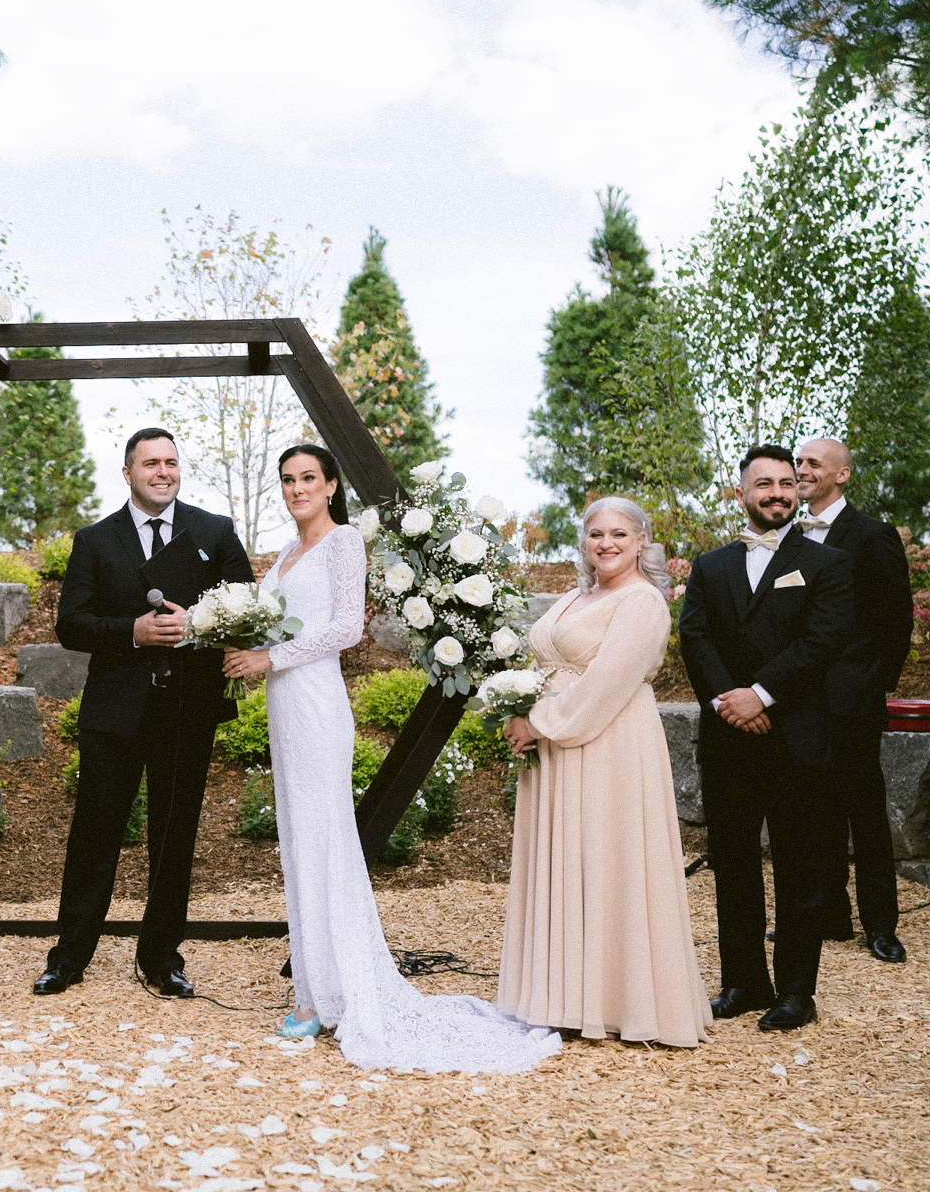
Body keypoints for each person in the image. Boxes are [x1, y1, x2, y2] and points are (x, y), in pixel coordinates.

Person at [222, 444, 559, 1071]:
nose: (297, 489)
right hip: (283, 705)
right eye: (288, 480)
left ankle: (341, 990)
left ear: (330, 487)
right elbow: (286, 621)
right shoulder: (286, 554)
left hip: (317, 701)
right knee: (299, 842)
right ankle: (314, 990)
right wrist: (244, 640)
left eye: (308, 479)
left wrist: (271, 658)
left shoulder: (344, 542)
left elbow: (347, 628)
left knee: (327, 839)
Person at [36, 428, 255, 1000]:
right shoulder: (94, 540)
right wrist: (131, 632)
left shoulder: (215, 531)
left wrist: (198, 625)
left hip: (188, 709)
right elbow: (71, 624)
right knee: (94, 833)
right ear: (128, 473)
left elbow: (247, 610)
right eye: (150, 463)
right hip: (115, 711)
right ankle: (68, 956)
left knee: (174, 835)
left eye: (171, 462)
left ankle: (161, 959)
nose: (163, 471)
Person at [499, 496, 712, 1046]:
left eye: (619, 534)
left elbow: (607, 684)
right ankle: (562, 995)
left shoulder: (643, 603)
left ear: (642, 540)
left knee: (607, 859)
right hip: (556, 741)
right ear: (584, 541)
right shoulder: (578, 595)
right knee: (567, 859)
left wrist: (538, 722)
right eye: (596, 534)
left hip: (608, 742)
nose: (607, 544)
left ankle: (619, 1000)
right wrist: (516, 710)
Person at [678, 444, 853, 1033]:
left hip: (796, 734)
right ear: (742, 493)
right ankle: (744, 981)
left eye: (786, 483)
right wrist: (732, 700)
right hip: (729, 738)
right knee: (733, 865)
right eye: (764, 484)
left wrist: (763, 694)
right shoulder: (711, 566)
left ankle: (796, 993)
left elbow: (823, 640)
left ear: (798, 491)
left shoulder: (826, 563)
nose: (777, 492)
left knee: (800, 865)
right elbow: (695, 640)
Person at [795, 438, 913, 963]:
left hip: (853, 699)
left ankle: (880, 926)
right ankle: (828, 916)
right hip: (799, 700)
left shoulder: (872, 536)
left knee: (864, 815)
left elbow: (896, 619)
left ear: (841, 475)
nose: (801, 471)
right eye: (798, 462)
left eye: (812, 464)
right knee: (811, 809)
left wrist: (870, 683)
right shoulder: (787, 535)